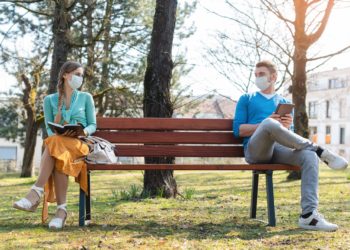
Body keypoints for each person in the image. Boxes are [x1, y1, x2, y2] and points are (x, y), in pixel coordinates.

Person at [233, 60, 348, 232]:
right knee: (268, 123)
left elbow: (290, 137)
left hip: (279, 150)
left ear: (273, 77)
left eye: (261, 74)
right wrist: (267, 124)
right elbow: (238, 130)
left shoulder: (285, 102)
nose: (257, 78)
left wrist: (285, 127)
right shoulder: (246, 99)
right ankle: (319, 149)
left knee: (308, 156)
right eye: (256, 75)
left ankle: (309, 216)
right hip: (256, 151)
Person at [13, 61, 96, 229]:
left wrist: (83, 132)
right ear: (65, 75)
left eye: (81, 75)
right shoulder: (50, 100)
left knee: (54, 146)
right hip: (59, 144)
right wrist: (61, 133)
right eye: (77, 74)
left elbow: (93, 124)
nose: (80, 78)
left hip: (80, 143)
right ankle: (61, 212)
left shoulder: (86, 97)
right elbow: (50, 130)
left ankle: (36, 193)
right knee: (57, 149)